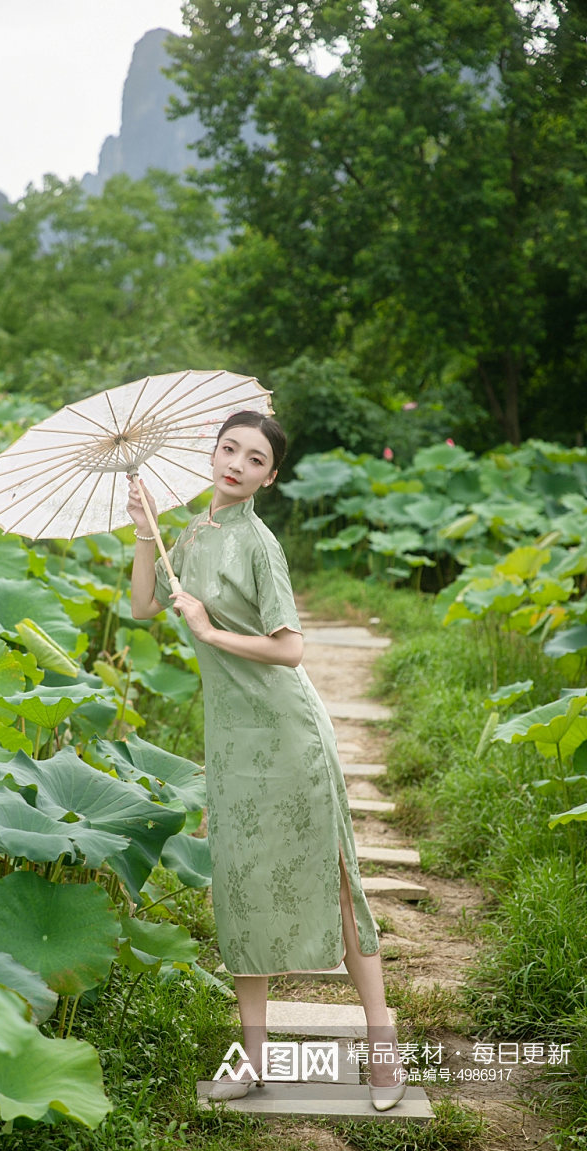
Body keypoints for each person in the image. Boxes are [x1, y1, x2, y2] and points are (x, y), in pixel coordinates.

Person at [126, 411, 406, 1112]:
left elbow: (291, 648)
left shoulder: (258, 543)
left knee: (335, 878)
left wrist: (211, 630)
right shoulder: (189, 533)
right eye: (229, 450)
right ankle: (251, 1063)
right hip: (231, 742)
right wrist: (140, 533)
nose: (237, 464)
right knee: (244, 888)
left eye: (254, 459)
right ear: (211, 454)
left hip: (287, 733)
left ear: (269, 477)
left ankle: (383, 1054)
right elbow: (140, 606)